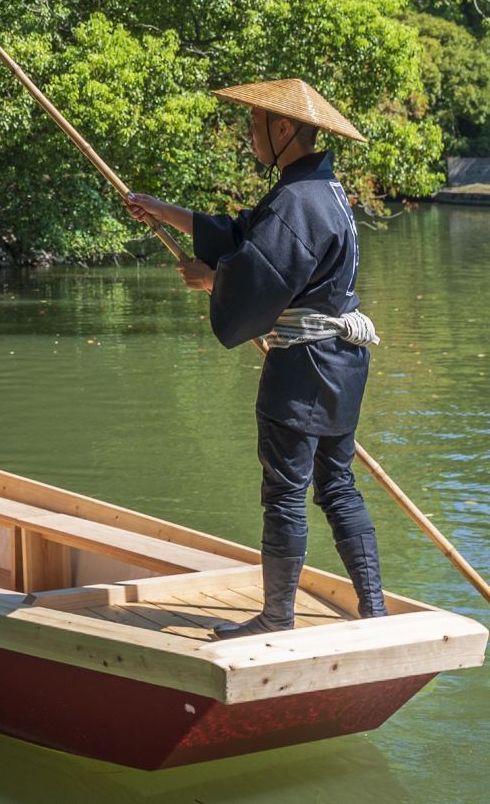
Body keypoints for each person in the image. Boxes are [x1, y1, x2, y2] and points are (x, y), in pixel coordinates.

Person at [125, 78, 385, 637]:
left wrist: (211, 281)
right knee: (337, 484)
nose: (250, 134)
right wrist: (162, 211)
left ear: (283, 127)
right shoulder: (321, 190)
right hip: (341, 363)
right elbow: (242, 235)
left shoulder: (298, 200)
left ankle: (276, 617)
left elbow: (259, 278)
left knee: (286, 492)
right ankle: (375, 611)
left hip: (306, 365)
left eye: (255, 123)